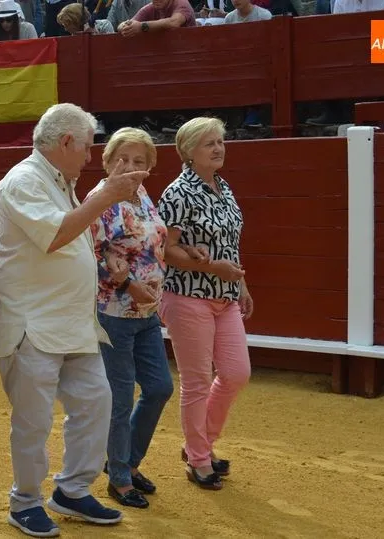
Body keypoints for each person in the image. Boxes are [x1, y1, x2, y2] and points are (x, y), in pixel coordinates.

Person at [0, 103, 145, 538]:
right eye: (87, 147)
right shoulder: (23, 180)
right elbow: (56, 235)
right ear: (66, 142)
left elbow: (74, 238)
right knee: (33, 420)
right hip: (30, 322)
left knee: (96, 401)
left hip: (72, 322)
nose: (90, 157)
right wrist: (106, 196)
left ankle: (72, 490)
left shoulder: (61, 181)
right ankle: (25, 501)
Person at [157, 116, 253, 491]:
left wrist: (242, 284)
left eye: (220, 141)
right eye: (209, 143)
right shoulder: (177, 192)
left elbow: (231, 245)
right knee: (197, 381)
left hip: (225, 295)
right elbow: (164, 249)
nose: (218, 148)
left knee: (235, 373)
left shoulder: (223, 188)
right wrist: (214, 267)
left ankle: (200, 444)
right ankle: (199, 458)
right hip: (186, 294)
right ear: (189, 152)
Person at [88, 128, 175, 509]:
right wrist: (127, 286)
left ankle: (125, 462)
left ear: (150, 168)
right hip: (114, 312)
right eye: (122, 159)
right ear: (107, 161)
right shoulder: (99, 198)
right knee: (120, 397)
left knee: (159, 388)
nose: (130, 166)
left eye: (139, 161)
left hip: (147, 312)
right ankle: (120, 479)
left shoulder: (141, 196)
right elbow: (92, 252)